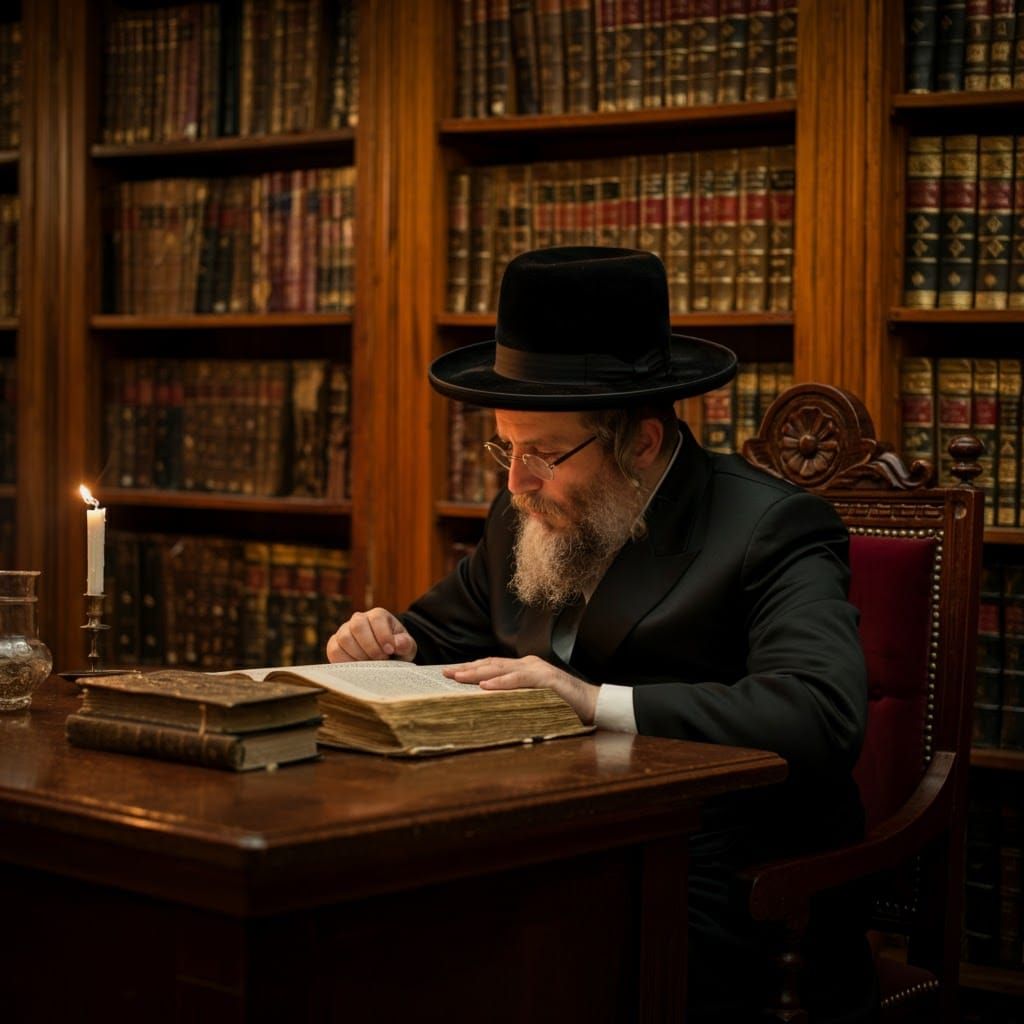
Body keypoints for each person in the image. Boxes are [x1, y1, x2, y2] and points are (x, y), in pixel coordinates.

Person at [327, 247, 876, 1021]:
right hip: (546, 846)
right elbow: (435, 632)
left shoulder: (770, 527)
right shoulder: (524, 514)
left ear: (641, 442)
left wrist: (591, 700)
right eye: (505, 448)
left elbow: (821, 713)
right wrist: (385, 640)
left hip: (712, 881)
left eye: (544, 454)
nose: (516, 481)